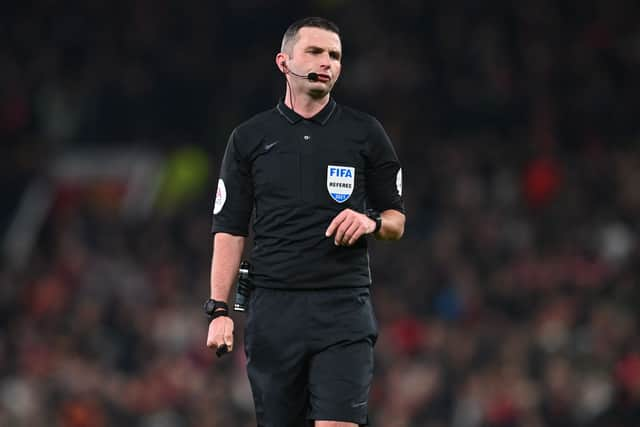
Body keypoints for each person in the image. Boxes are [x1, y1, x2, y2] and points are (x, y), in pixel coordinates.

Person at [205, 16, 405, 427]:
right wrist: (219, 310)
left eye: (335, 55)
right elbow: (230, 228)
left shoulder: (365, 133)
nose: (326, 62)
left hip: (343, 308)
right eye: (315, 51)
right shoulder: (249, 139)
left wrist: (370, 222)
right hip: (274, 311)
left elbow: (396, 220)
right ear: (284, 61)